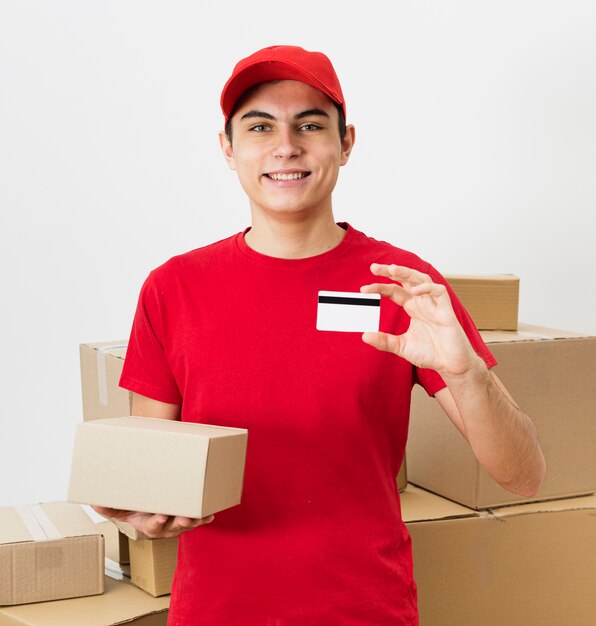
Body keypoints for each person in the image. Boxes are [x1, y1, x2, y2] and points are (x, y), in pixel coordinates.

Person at [94, 45, 546, 625]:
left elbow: (523, 475)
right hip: (217, 611)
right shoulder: (173, 287)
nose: (287, 145)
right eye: (261, 127)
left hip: (362, 609)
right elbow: (151, 476)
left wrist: (466, 373)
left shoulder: (402, 285)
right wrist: (137, 507)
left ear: (346, 142)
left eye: (310, 124)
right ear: (228, 147)